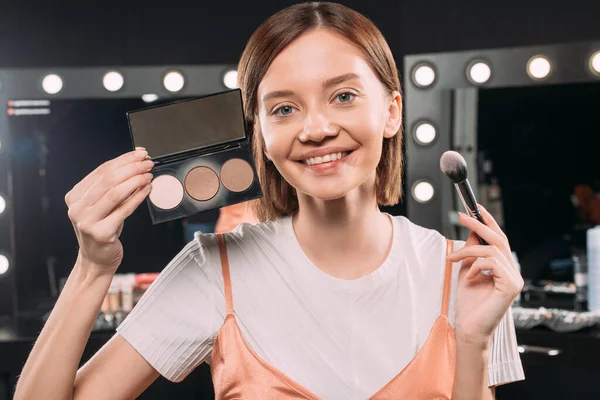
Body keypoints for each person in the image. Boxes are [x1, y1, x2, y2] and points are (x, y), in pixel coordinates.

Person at [14, 2, 525, 399]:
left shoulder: (464, 272)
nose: (317, 128)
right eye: (284, 108)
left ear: (392, 111)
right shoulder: (215, 271)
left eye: (343, 96)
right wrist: (92, 267)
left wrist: (474, 343)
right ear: (258, 131)